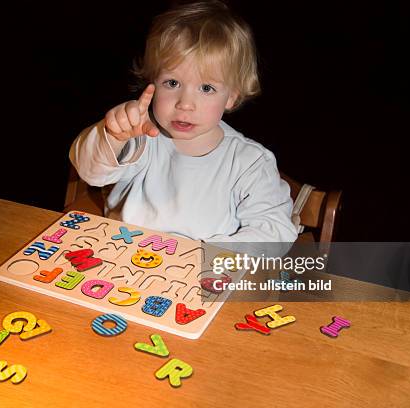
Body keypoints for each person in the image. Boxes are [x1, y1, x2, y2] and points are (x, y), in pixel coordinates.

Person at [69, 0, 297, 255]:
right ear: (152, 81)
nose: (185, 104)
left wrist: (209, 254)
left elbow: (275, 232)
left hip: (201, 278)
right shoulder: (142, 136)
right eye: (172, 83)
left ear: (232, 96)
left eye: (207, 88)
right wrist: (112, 136)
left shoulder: (250, 162)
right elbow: (90, 171)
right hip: (119, 263)